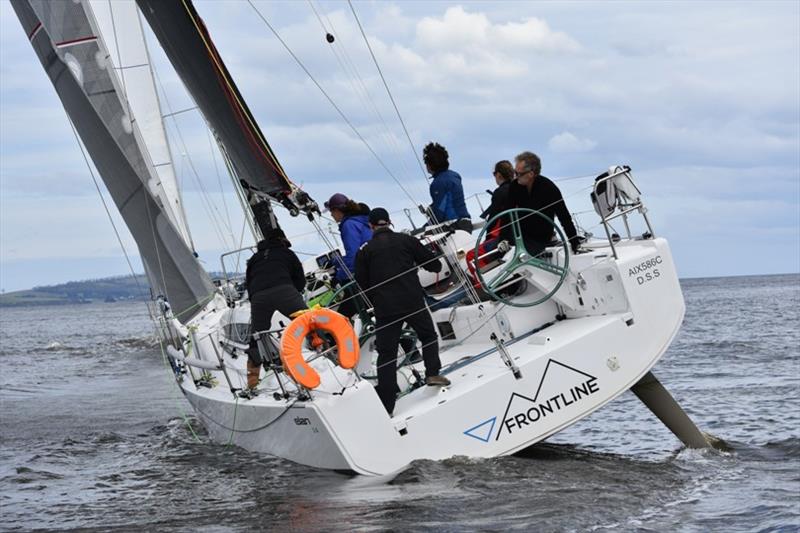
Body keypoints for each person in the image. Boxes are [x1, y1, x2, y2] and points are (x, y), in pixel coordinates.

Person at [355, 208, 451, 415]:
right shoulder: (406, 240)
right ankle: (433, 373)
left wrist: (376, 299)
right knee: (427, 335)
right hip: (412, 300)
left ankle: (388, 404)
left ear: (371, 226)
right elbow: (433, 264)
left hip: (385, 308)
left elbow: (362, 284)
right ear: (389, 222)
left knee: (387, 354)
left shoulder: (365, 250)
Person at [245, 229, 306, 393]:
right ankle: (327, 353)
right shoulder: (287, 253)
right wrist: (294, 293)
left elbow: (249, 283)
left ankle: (252, 381)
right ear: (282, 240)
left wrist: (256, 300)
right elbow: (300, 280)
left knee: (256, 337)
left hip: (259, 297)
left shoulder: (254, 258)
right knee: (308, 321)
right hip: (284, 290)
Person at [502, 151, 580, 255]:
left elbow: (564, 217)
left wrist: (575, 243)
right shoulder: (514, 186)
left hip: (540, 239)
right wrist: (503, 238)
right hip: (519, 236)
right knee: (493, 253)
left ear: (531, 174)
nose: (515, 177)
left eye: (518, 174)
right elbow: (507, 214)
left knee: (513, 256)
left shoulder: (549, 188)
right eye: (515, 173)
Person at [324, 193, 372, 319]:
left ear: (337, 210)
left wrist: (338, 278)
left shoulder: (348, 225)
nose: (331, 215)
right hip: (373, 267)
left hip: (367, 273)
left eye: (331, 211)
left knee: (342, 315)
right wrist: (336, 261)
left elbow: (354, 257)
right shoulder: (361, 220)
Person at [468, 161, 514, 283]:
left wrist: (487, 240)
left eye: (494, 174)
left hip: (507, 237)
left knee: (471, 256)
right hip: (522, 233)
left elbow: (493, 222)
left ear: (498, 175)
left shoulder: (500, 192)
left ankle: (488, 285)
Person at [424, 142, 471, 227]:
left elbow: (440, 213)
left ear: (429, 165)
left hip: (453, 226)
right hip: (466, 222)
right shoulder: (455, 175)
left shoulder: (437, 183)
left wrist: (425, 227)